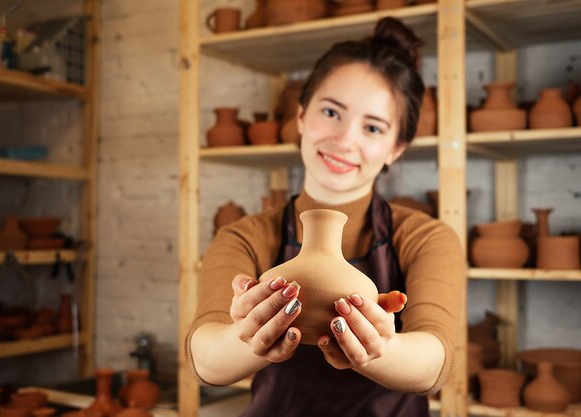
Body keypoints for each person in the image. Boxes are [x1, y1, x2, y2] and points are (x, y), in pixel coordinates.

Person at [186, 17, 464, 417]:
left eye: (372, 127)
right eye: (332, 112)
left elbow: (435, 363)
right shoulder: (245, 236)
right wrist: (246, 339)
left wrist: (380, 349)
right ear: (300, 116)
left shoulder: (424, 236)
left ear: (396, 148)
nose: (345, 139)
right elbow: (205, 358)